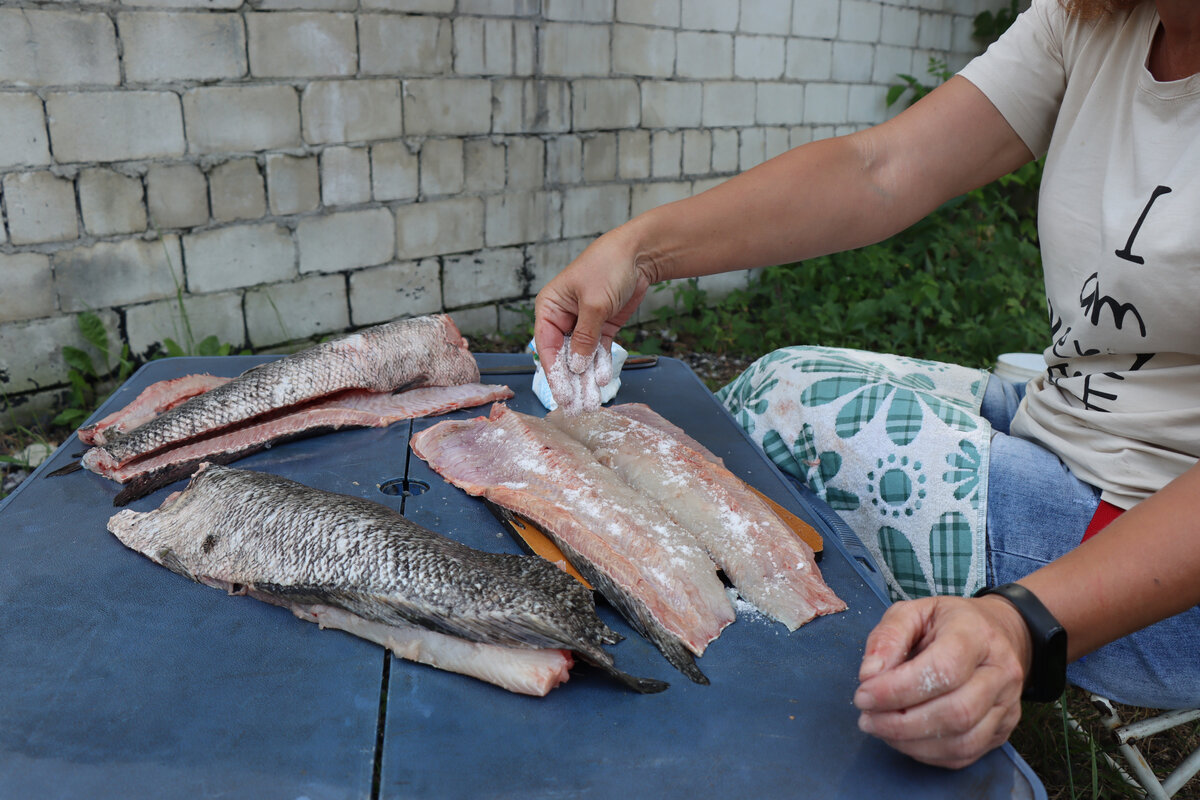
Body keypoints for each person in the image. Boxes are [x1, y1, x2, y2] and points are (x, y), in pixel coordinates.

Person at [532, 0, 1200, 769]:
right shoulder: (1095, 20)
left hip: (1153, 540)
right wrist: (639, 250)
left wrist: (1023, 624)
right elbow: (881, 169)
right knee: (774, 386)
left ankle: (755, 710)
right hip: (1065, 419)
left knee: (792, 415)